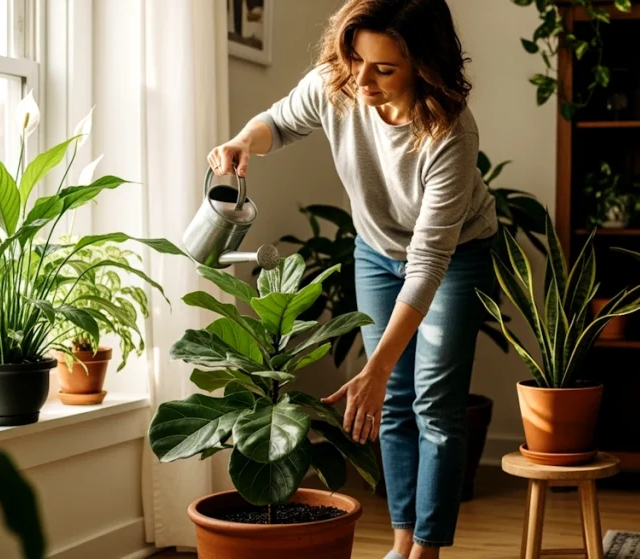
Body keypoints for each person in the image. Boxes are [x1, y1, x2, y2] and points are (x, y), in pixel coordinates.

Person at [207, 1, 496, 557]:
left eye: (384, 69)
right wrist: (245, 140)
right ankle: (402, 541)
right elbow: (280, 122)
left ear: (424, 67)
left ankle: (428, 550)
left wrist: (375, 367)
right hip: (375, 250)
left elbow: (429, 261)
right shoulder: (338, 83)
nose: (361, 80)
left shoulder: (450, 134)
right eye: (356, 59)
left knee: (433, 402)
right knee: (389, 401)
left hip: (454, 257)